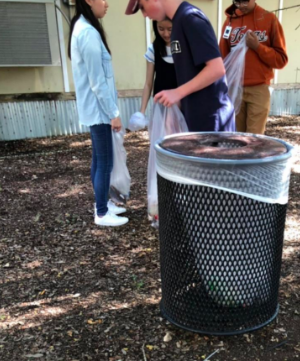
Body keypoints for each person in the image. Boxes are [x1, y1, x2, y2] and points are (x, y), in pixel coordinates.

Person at [125, 0, 235, 132]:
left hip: (211, 119)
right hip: (194, 116)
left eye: (143, 7)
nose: (144, 14)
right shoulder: (178, 23)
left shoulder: (190, 17)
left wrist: (177, 92)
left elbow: (217, 69)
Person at [69, 0, 129, 227]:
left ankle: (101, 204)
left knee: (99, 160)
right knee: (105, 163)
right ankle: (102, 213)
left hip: (95, 109)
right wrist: (113, 113)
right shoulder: (87, 33)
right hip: (99, 111)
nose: (107, 4)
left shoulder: (84, 28)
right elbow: (97, 82)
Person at [219, 0, 288, 134]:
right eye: (237, 2)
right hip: (234, 88)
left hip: (258, 89)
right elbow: (222, 59)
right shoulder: (229, 22)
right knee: (236, 137)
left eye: (245, 1)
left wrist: (258, 47)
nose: (241, 5)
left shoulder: (269, 19)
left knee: (254, 139)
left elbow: (281, 60)